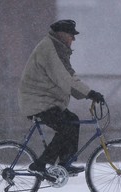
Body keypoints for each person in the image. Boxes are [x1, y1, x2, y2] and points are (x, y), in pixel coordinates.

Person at [18, 20, 104, 179]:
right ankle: (40, 164)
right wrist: (89, 93)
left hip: (45, 100)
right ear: (62, 34)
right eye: (72, 35)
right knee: (65, 126)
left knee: (73, 120)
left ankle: (65, 163)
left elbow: (70, 76)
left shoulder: (59, 49)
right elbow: (64, 78)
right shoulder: (49, 49)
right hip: (37, 101)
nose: (74, 39)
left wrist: (88, 93)